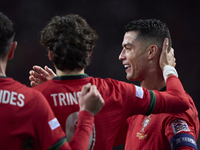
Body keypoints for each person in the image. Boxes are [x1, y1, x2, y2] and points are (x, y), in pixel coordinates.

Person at [29, 14, 190, 150]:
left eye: (128, 48)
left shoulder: (32, 100)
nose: (120, 56)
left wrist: (58, 90)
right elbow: (98, 131)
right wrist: (60, 88)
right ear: (89, 52)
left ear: (50, 54)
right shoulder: (118, 94)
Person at [0, 12, 105, 150]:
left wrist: (57, 87)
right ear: (12, 50)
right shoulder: (31, 101)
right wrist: (86, 115)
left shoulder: (36, 98)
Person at [113, 19, 199, 150]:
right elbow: (100, 138)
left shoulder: (176, 108)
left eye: (128, 49)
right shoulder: (139, 104)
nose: (121, 56)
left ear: (151, 52)